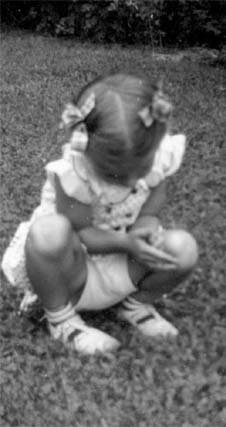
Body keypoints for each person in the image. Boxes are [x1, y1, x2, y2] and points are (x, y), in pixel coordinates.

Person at [1, 73, 198, 354]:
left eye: (140, 171)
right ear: (87, 151)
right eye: (116, 176)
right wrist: (127, 243)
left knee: (184, 249)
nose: (132, 183)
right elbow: (86, 235)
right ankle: (61, 319)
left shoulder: (155, 152)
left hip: (123, 266)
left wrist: (146, 222)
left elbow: (157, 191)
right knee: (48, 233)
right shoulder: (73, 174)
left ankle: (136, 305)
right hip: (71, 273)